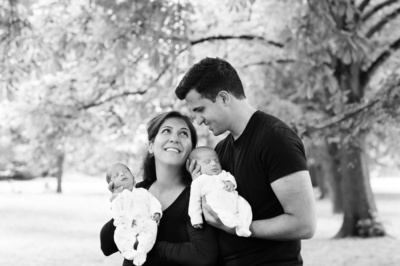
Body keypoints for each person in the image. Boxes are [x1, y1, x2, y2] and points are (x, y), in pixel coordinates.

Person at [175, 57, 317, 266]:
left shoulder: (276, 138)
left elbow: (304, 224)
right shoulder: (220, 150)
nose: (198, 121)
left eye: (200, 110)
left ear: (224, 98)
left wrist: (238, 227)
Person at [100, 111, 218, 266]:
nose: (174, 138)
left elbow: (203, 255)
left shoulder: (195, 196)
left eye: (183, 133)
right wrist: (120, 204)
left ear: (191, 151)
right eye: (166, 131)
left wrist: (145, 244)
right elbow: (107, 246)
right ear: (151, 146)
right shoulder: (138, 191)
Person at [188, 146, 252, 237]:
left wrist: (230, 183)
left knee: (245, 207)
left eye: (217, 161)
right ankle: (237, 226)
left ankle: (244, 226)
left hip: (236, 201)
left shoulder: (223, 174)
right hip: (219, 207)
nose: (214, 164)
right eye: (207, 162)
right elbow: (194, 202)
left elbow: (230, 177)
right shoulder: (198, 182)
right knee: (225, 216)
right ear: (196, 167)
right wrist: (196, 219)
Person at [106, 163, 162, 266]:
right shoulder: (118, 198)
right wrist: (130, 221)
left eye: (125, 172)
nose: (122, 174)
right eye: (116, 175)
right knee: (119, 235)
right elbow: (117, 213)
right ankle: (130, 253)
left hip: (144, 222)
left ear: (133, 178)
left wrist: (156, 212)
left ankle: (142, 250)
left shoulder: (143, 192)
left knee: (152, 226)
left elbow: (152, 201)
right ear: (112, 185)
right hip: (127, 225)